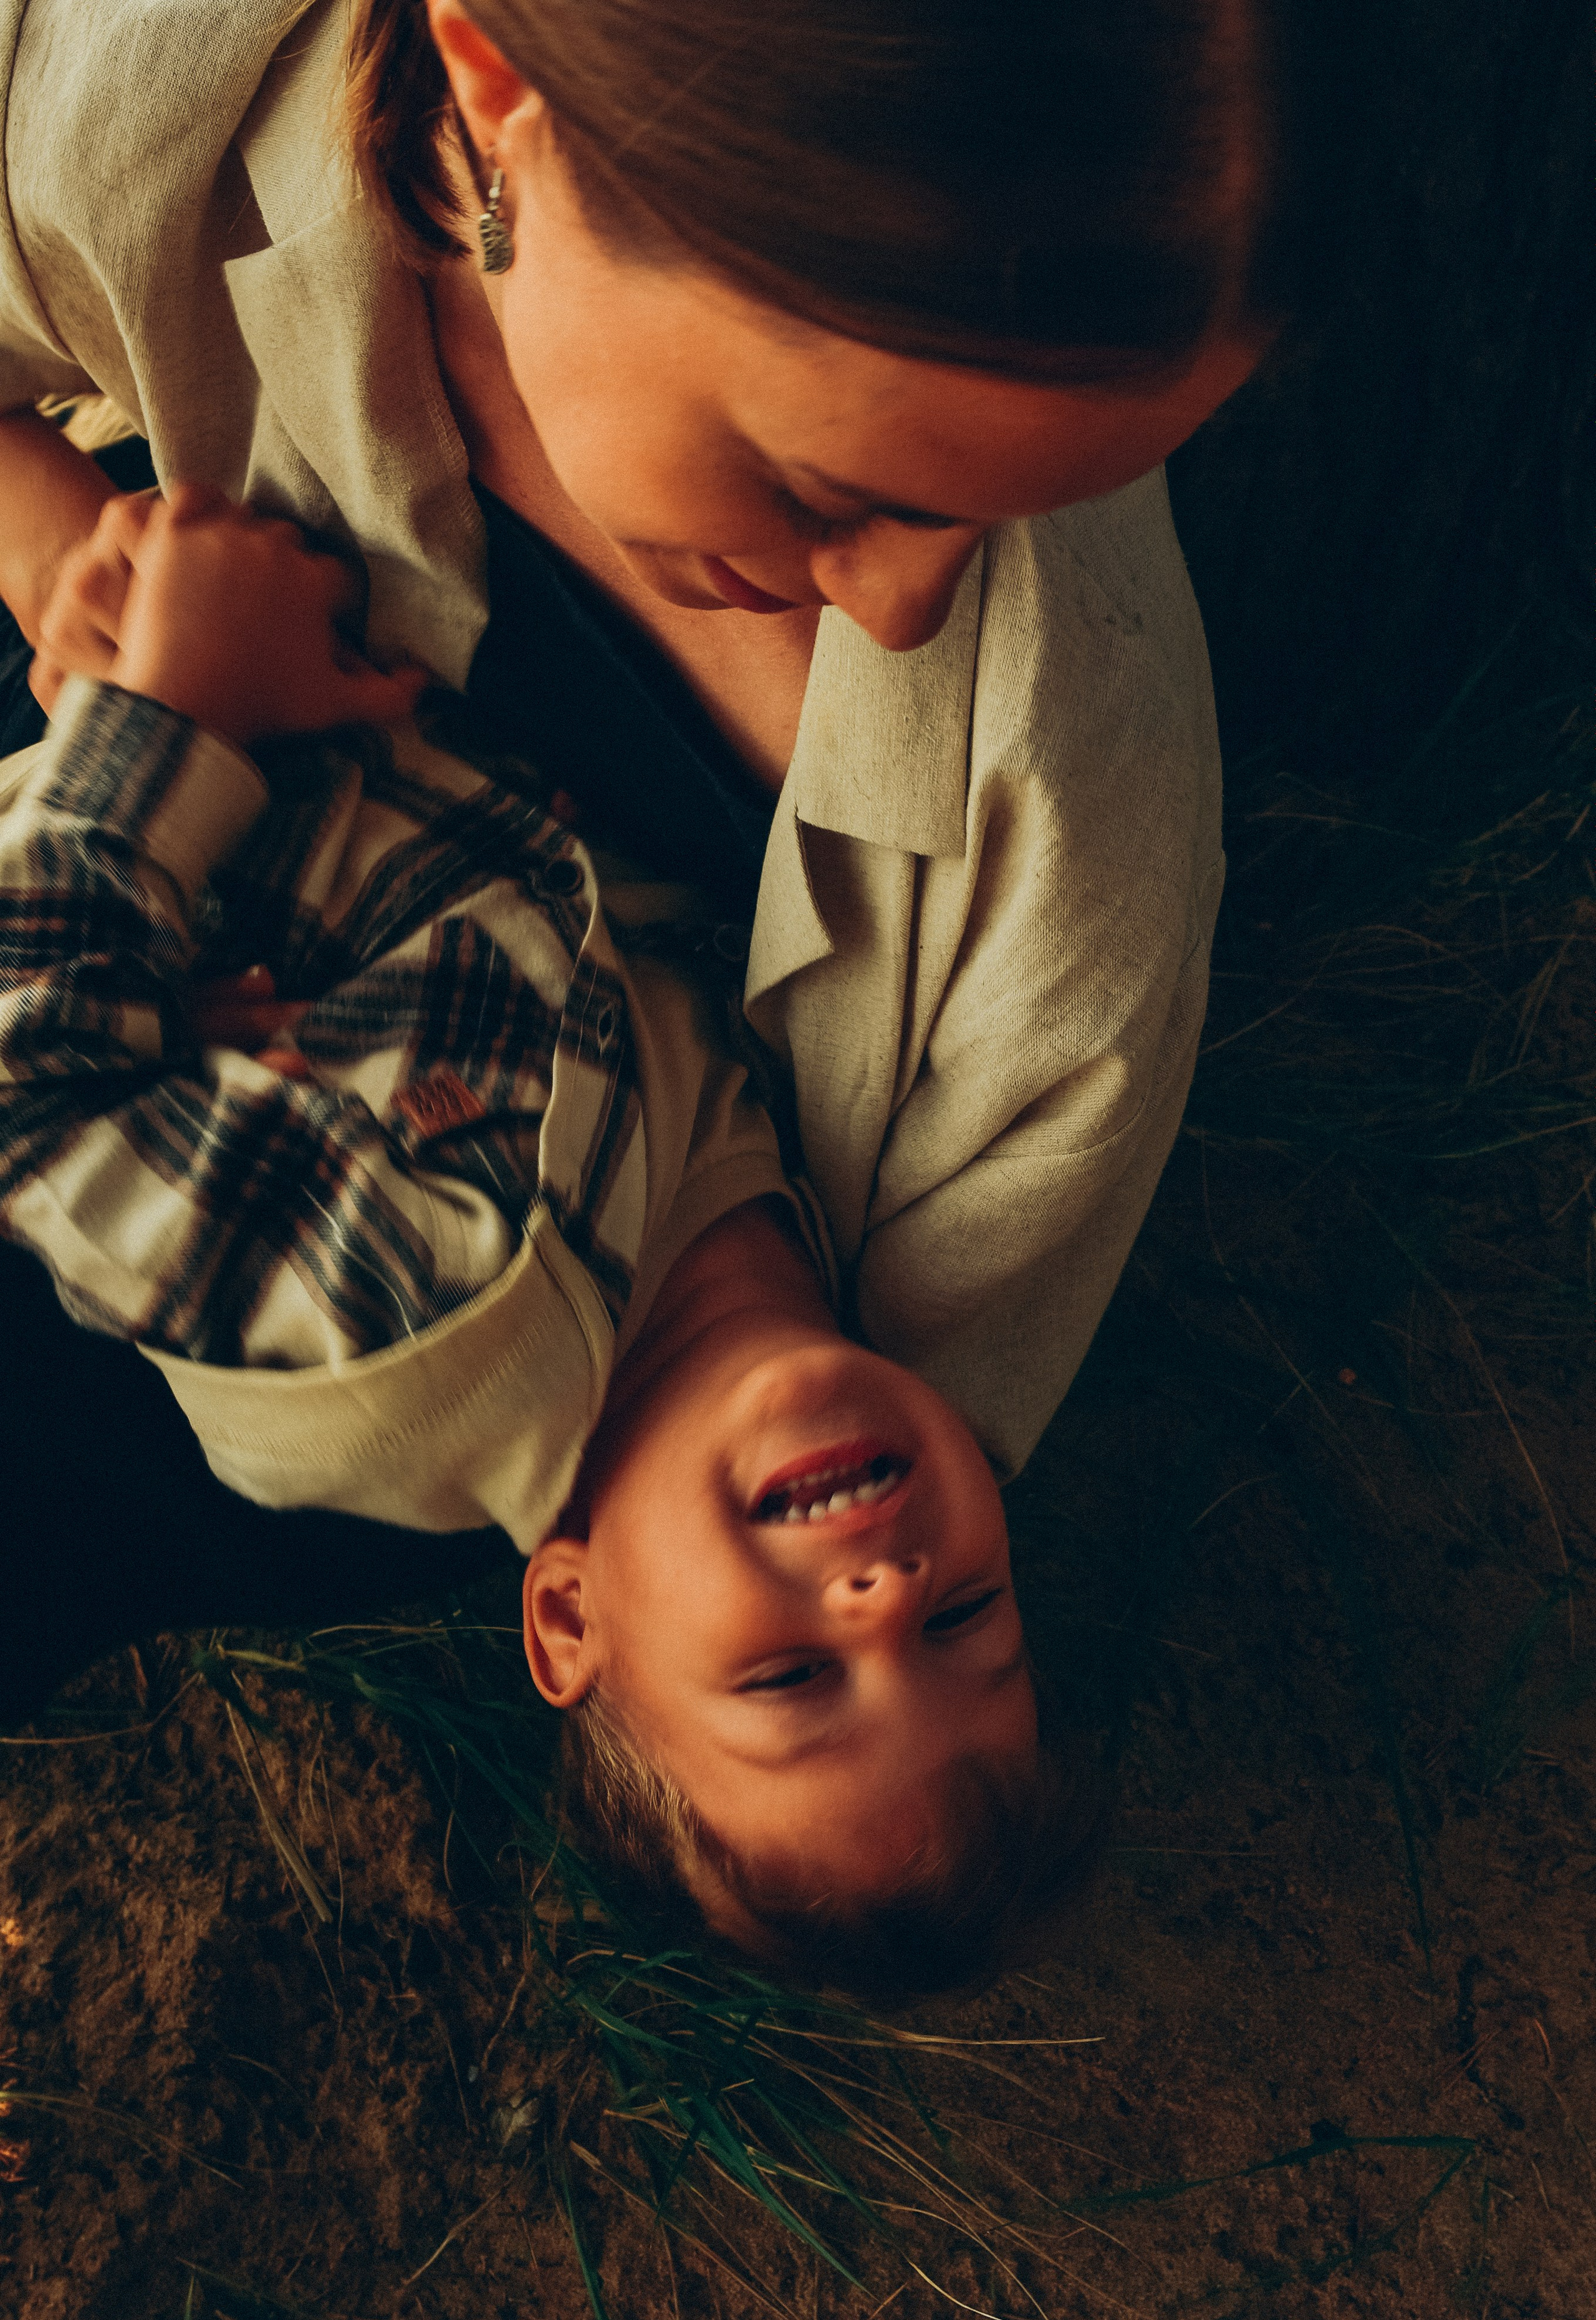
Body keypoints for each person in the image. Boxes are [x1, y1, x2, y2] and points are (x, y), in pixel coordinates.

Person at [0, 2, 1344, 1705]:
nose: (909, 604)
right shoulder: (178, 79)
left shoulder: (1059, 907)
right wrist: (77, 570)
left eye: (1006, 506)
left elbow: (907, 1383)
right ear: (498, 92)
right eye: (823, 486)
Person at [0, 483, 1082, 1995]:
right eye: (968, 1612)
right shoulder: (836, 1178)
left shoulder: (414, 1330)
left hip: (199, 674)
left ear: (568, 1613)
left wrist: (166, 709)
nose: (884, 1596)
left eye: (789, 1679)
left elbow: (33, 1099)